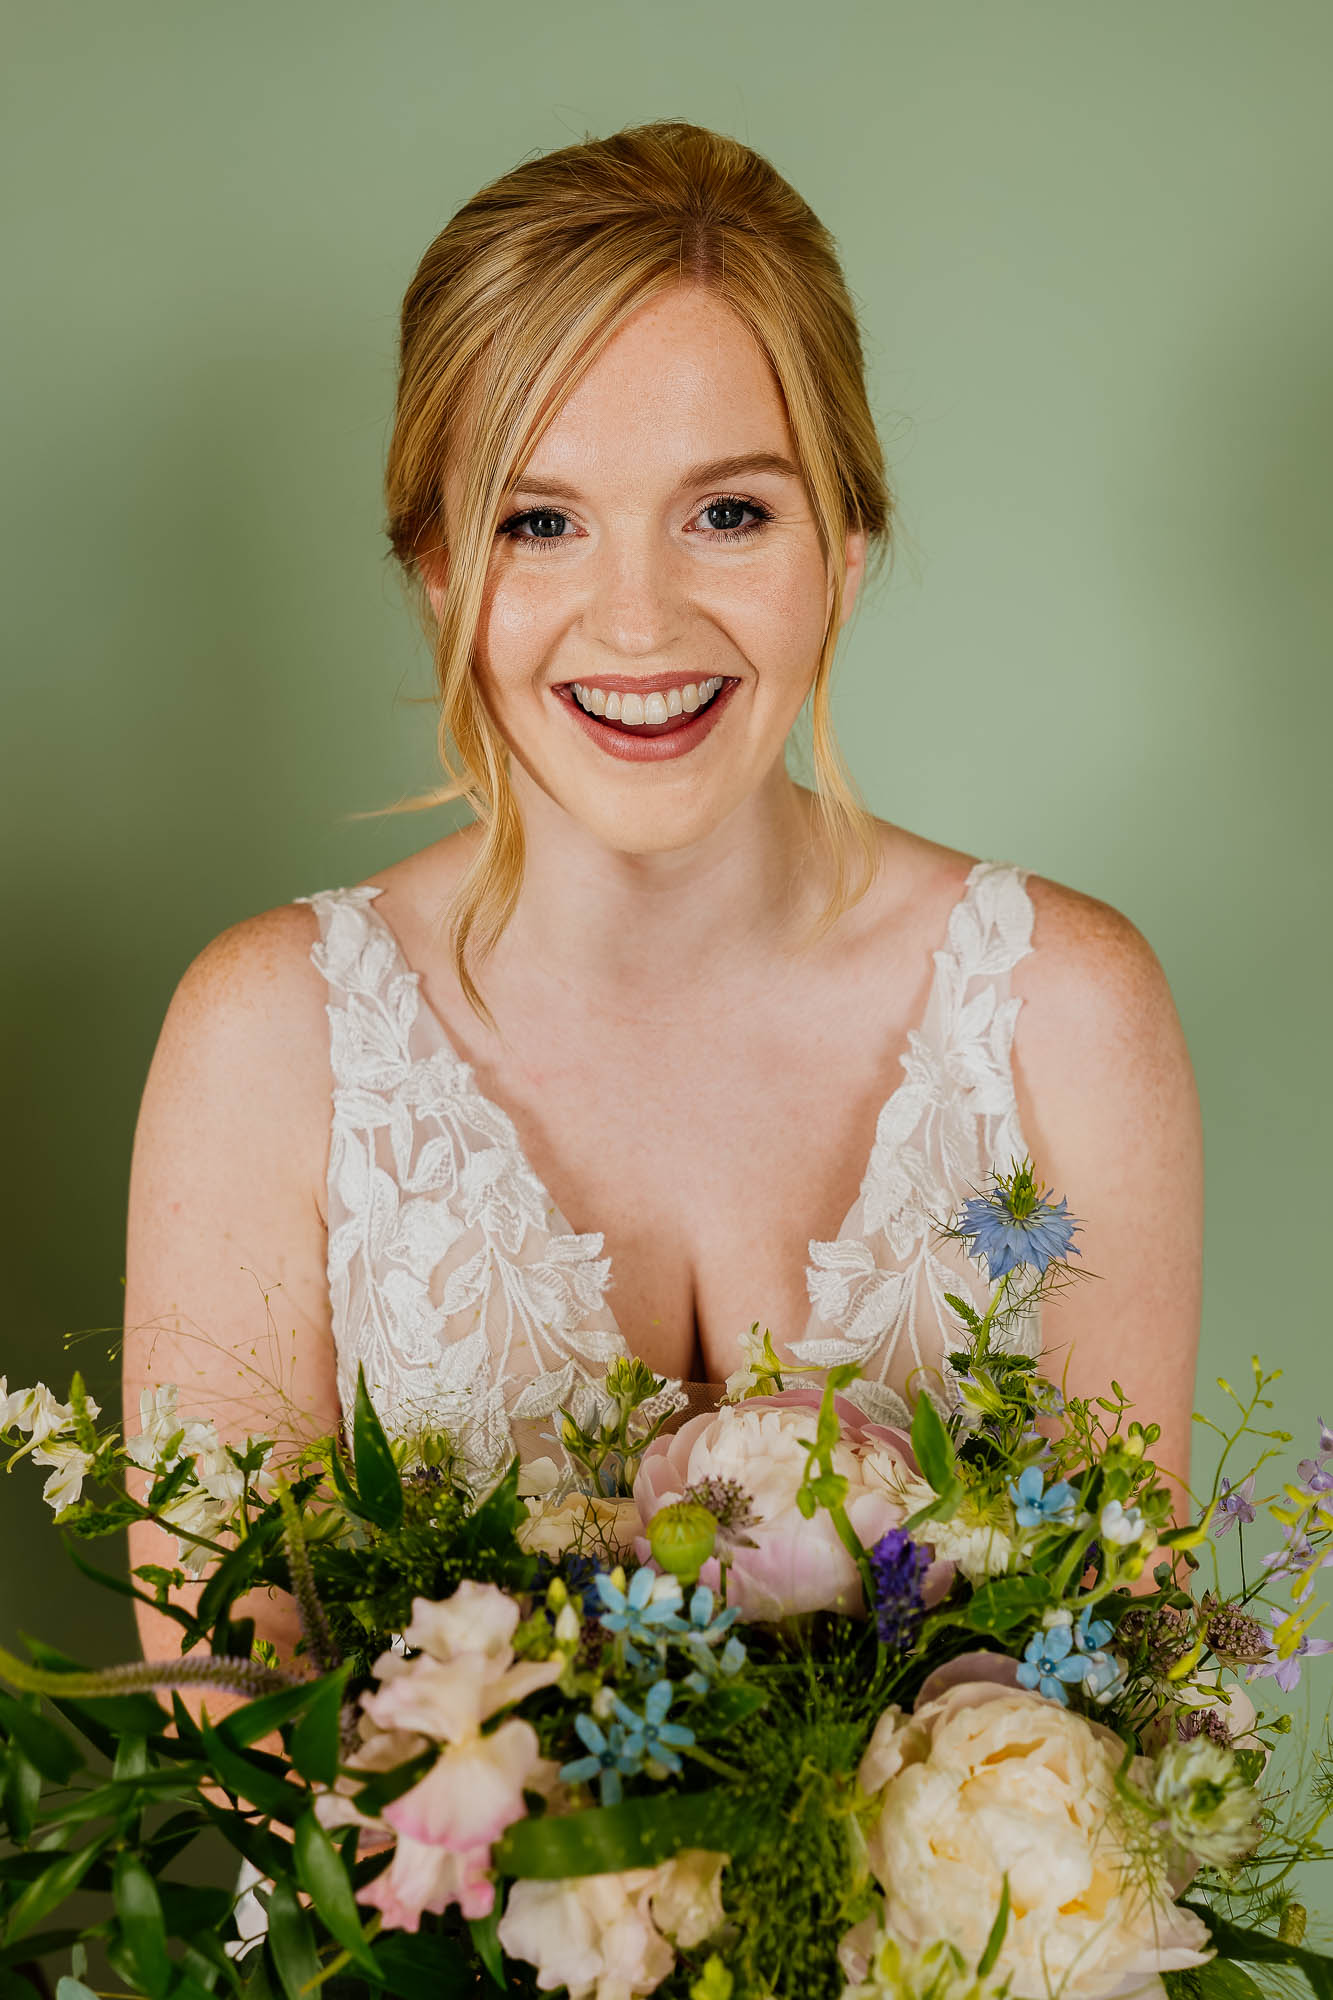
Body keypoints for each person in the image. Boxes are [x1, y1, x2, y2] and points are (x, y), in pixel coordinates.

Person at [122, 119, 1201, 1684]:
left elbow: (1136, 1669)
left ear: (845, 541)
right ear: (434, 562)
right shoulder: (267, 1037)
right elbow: (221, 1713)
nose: (635, 620)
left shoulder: (1067, 1011)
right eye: (537, 521)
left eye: (729, 513)